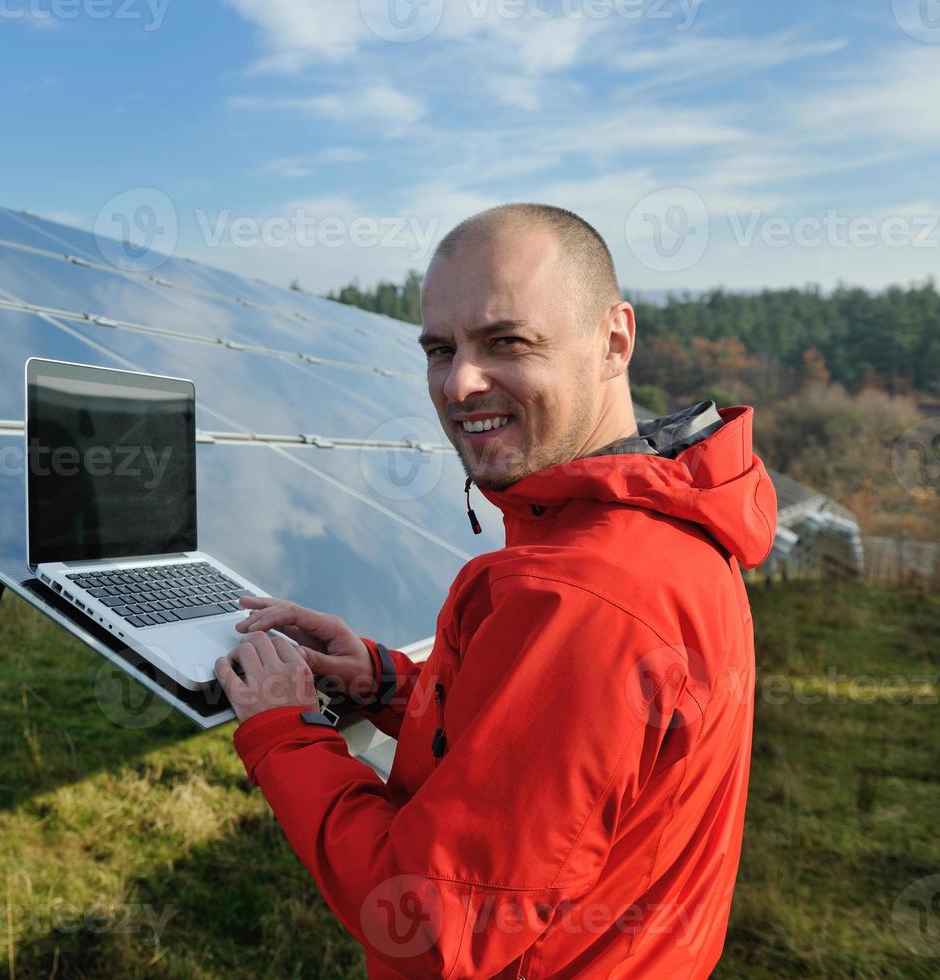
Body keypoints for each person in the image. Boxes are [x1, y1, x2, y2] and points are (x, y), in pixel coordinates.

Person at [214, 203, 777, 978]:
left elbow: (426, 918)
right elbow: (545, 746)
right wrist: (382, 681)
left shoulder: (587, 598)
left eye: (506, 340)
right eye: (439, 350)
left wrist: (285, 732)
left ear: (615, 339)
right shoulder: (652, 522)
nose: (459, 383)